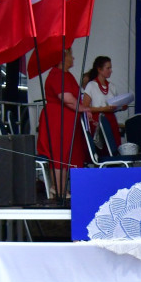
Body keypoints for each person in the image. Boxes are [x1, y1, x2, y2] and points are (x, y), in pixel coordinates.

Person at [36, 49, 89, 195]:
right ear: (62, 58)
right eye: (70, 55)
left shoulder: (66, 75)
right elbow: (67, 99)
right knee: (59, 154)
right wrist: (85, 109)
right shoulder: (57, 75)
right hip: (58, 120)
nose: (73, 57)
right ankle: (59, 189)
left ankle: (60, 188)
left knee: (66, 155)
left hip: (66, 120)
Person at [81, 56, 128, 148]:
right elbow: (85, 107)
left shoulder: (112, 86)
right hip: (97, 121)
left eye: (111, 68)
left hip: (111, 120)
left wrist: (121, 107)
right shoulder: (91, 85)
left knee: (113, 146)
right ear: (99, 69)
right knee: (102, 147)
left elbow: (114, 105)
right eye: (108, 68)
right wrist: (103, 109)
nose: (111, 70)